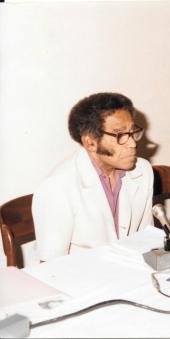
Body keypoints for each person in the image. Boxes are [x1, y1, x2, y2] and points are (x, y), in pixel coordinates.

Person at [32, 93, 153, 261]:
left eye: (132, 132)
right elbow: (50, 264)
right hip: (81, 280)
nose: (132, 143)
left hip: (130, 270)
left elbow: (147, 239)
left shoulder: (143, 170)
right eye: (120, 135)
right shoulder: (58, 185)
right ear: (90, 143)